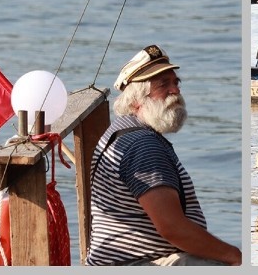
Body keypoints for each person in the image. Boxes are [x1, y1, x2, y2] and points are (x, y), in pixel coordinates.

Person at [85, 45, 241, 266]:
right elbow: (172, 228)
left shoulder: (122, 130)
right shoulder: (143, 145)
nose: (175, 91)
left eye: (176, 83)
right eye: (163, 85)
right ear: (137, 100)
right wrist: (235, 256)